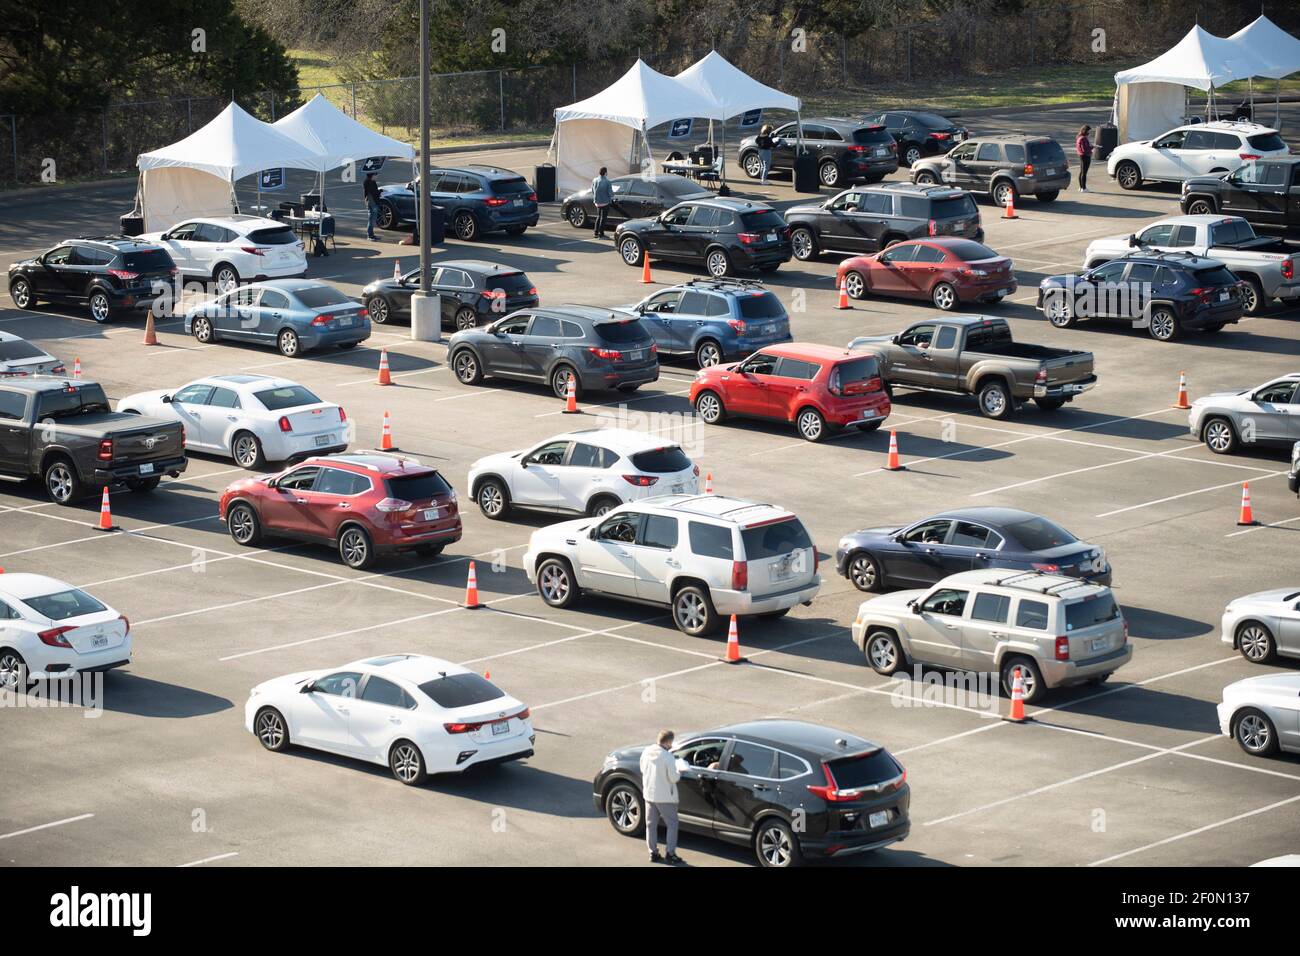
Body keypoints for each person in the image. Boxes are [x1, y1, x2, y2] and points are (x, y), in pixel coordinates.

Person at [640, 729, 682, 864]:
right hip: (665, 797)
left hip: (649, 795)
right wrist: (679, 771)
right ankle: (670, 853)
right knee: (672, 824)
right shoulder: (668, 757)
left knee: (650, 825)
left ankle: (653, 853)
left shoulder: (646, 751)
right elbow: (674, 778)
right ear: (668, 742)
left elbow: (642, 768)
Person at [592, 167, 613, 239]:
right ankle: (601, 234)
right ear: (605, 173)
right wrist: (613, 195)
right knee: (603, 218)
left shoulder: (595, 180)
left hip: (597, 202)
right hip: (605, 202)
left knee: (598, 217)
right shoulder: (607, 181)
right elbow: (610, 193)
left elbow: (592, 190)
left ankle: (595, 233)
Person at [363, 172, 381, 240]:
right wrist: (380, 192)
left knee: (373, 219)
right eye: (376, 175)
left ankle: (371, 234)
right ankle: (369, 235)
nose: (377, 176)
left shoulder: (371, 181)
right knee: (372, 219)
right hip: (372, 203)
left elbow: (374, 191)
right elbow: (374, 192)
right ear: (372, 175)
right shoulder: (369, 182)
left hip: (372, 202)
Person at [1076, 125, 1093, 193]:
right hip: (1085, 156)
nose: (1090, 133)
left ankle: (1081, 187)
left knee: (1082, 171)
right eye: (1089, 131)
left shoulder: (1079, 137)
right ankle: (1084, 188)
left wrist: (1090, 146)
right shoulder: (1084, 138)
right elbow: (1085, 149)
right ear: (1085, 131)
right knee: (1084, 172)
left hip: (1081, 155)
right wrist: (1092, 147)